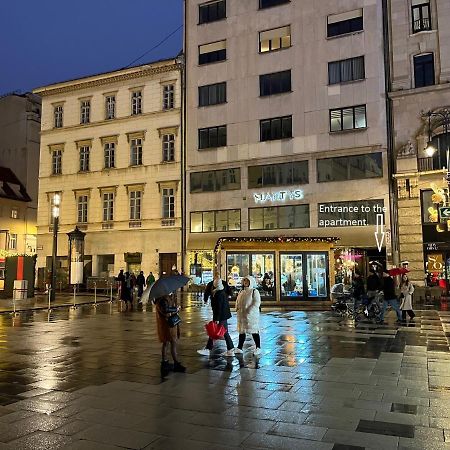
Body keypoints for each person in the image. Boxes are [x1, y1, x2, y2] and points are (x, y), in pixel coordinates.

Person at [198, 277, 235, 357]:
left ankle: (208, 349)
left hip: (221, 316)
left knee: (215, 332)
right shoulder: (220, 291)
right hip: (223, 315)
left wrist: (217, 319)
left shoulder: (219, 294)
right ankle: (230, 349)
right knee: (223, 332)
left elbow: (218, 308)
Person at [154, 294, 186, 377]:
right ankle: (174, 364)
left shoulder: (161, 298)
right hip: (168, 326)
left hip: (166, 325)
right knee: (172, 343)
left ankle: (166, 363)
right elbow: (165, 310)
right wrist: (176, 309)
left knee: (167, 343)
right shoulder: (163, 299)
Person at [235, 276, 261, 356]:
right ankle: (239, 347)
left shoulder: (254, 291)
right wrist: (237, 308)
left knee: (254, 331)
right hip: (242, 314)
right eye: (244, 280)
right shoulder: (241, 291)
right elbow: (237, 301)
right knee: (242, 331)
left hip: (251, 315)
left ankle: (258, 347)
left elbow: (257, 302)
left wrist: (250, 310)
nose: (245, 282)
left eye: (247, 281)